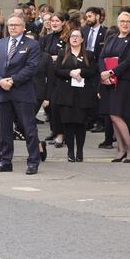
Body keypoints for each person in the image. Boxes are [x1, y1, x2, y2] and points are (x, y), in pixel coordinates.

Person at [0, 14, 42, 174]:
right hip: (3, 92)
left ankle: (33, 161)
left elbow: (31, 68)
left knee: (28, 128)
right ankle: (5, 161)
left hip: (22, 92)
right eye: (10, 24)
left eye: (16, 25)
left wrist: (12, 80)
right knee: (4, 129)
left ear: (23, 27)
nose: (12, 27)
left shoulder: (32, 45)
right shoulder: (0, 44)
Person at [99, 11, 130, 163]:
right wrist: (104, 73)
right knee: (111, 115)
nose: (125, 24)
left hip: (124, 81)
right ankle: (121, 149)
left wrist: (111, 72)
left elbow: (129, 61)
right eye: (122, 21)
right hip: (109, 82)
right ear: (117, 22)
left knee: (116, 115)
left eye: (128, 21)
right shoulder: (111, 38)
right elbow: (102, 57)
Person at [52, 30, 98, 162]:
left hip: (83, 94)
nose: (75, 38)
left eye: (78, 36)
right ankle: (70, 151)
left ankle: (80, 151)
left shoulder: (89, 54)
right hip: (66, 94)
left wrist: (81, 71)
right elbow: (57, 71)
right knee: (68, 124)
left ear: (83, 39)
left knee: (80, 124)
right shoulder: (63, 53)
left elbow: (93, 71)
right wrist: (70, 72)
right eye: (72, 36)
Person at [41, 12, 67, 148]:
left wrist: (56, 58)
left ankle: (61, 134)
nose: (54, 23)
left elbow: (68, 55)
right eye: (52, 21)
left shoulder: (67, 37)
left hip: (62, 75)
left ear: (63, 22)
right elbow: (43, 54)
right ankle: (54, 130)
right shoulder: (47, 37)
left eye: (57, 21)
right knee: (49, 105)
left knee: (58, 105)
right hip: (49, 74)